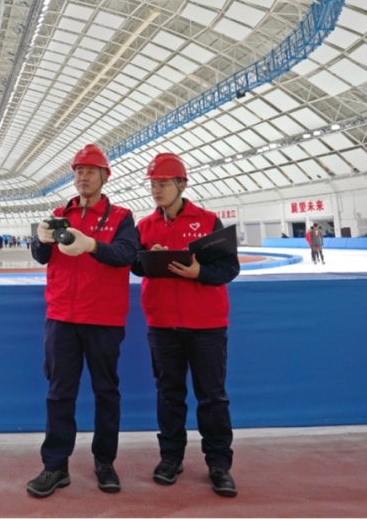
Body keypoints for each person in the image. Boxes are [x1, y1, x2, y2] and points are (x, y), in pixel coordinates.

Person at [26, 143, 141, 498]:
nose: (83, 177)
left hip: (103, 318)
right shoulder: (59, 214)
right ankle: (55, 466)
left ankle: (105, 462)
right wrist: (39, 239)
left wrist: (92, 245)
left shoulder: (121, 217)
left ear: (105, 176)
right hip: (61, 317)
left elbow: (127, 255)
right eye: (78, 171)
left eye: (90, 171)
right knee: (59, 393)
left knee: (106, 392)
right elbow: (41, 256)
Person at [132, 152, 240, 498]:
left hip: (206, 324)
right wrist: (150, 258)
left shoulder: (208, 221)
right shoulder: (144, 226)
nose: (156, 190)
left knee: (212, 397)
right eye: (153, 184)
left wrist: (199, 273)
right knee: (169, 394)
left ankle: (219, 464)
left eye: (163, 183)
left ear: (181, 184)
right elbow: (135, 266)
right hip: (162, 323)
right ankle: (171, 458)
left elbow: (229, 268)